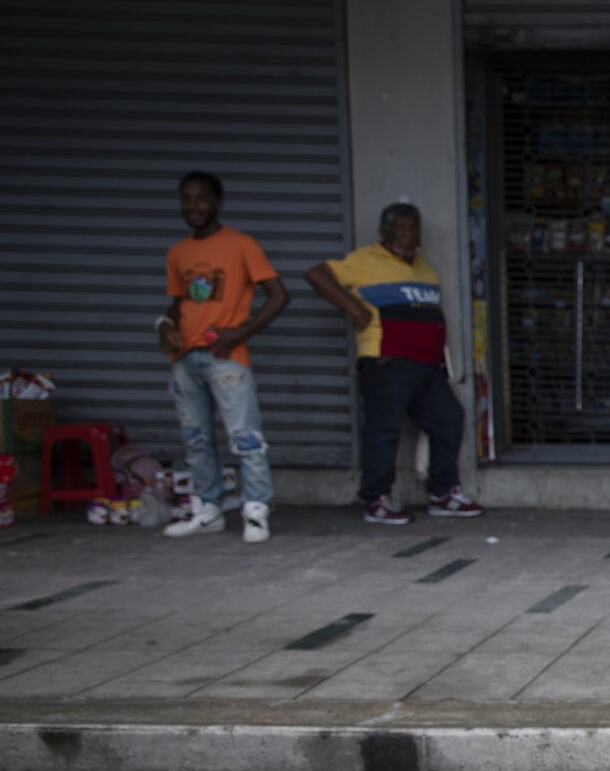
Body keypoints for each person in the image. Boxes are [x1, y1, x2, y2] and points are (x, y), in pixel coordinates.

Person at [305, 203, 483, 524]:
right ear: (383, 231)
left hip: (426, 366)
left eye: (413, 229)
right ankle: (376, 500)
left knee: (448, 419)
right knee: (383, 430)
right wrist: (355, 310)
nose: (407, 235)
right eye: (400, 229)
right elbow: (317, 275)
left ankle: (442, 494)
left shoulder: (424, 268)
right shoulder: (365, 260)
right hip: (386, 360)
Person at [158, 171, 287, 543]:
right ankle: (207, 509)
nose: (192, 206)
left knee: (245, 437)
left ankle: (256, 510)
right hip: (185, 357)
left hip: (226, 356)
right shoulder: (178, 252)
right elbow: (180, 302)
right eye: (186, 198)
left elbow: (279, 295)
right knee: (195, 437)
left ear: (219, 203)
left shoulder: (241, 245)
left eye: (200, 198)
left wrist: (239, 334)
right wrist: (164, 324)